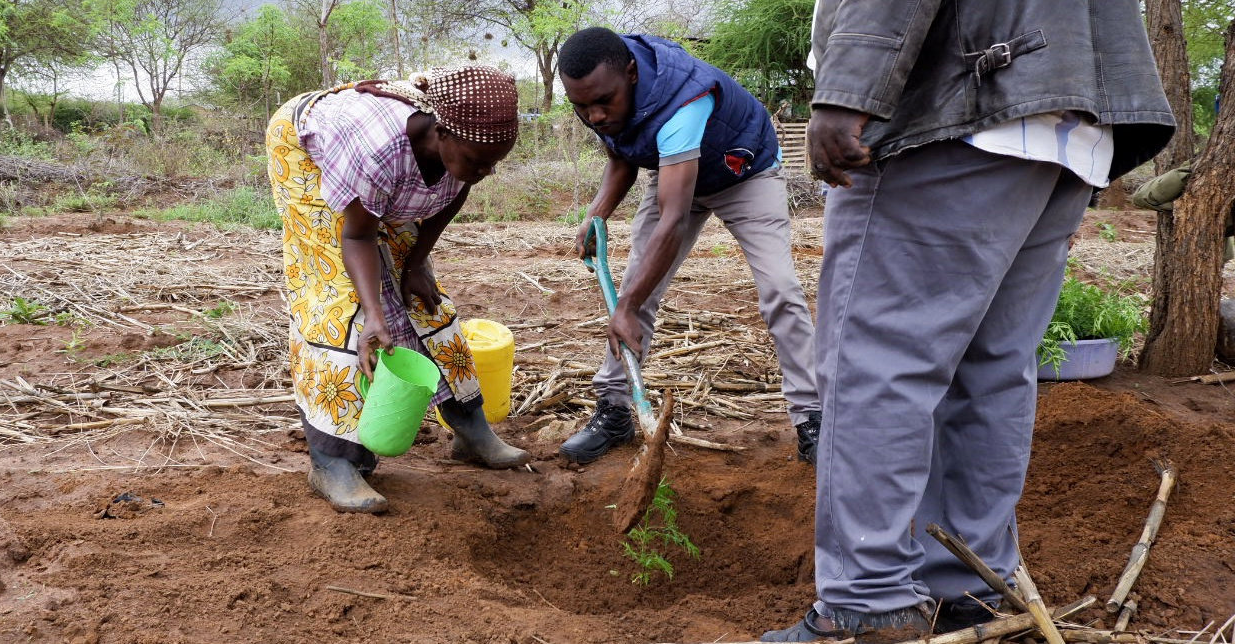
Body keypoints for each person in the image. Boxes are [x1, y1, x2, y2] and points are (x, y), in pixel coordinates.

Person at [765, 2, 1175, 641]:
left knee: (877, 363)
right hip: (1065, 125)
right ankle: (968, 587)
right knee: (991, 368)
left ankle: (866, 602)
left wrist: (849, 88)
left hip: (960, 107)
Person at [270, 65, 532, 514]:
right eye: (477, 160)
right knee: (343, 306)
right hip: (304, 150)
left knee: (425, 303)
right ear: (442, 132)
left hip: (388, 169)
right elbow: (356, 236)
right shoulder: (375, 151)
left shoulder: (463, 150)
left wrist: (415, 263)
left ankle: (469, 428)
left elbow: (456, 190)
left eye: (495, 162)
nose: (486, 172)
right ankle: (331, 461)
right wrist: (374, 313)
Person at [554, 26, 823, 465]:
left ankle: (812, 415)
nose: (596, 116)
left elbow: (674, 219)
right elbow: (622, 152)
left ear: (632, 74)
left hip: (744, 174)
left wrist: (627, 307)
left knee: (780, 290)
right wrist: (596, 213)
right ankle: (616, 409)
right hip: (676, 172)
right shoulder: (604, 95)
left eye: (604, 102)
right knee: (635, 286)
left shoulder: (683, 99)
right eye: (582, 107)